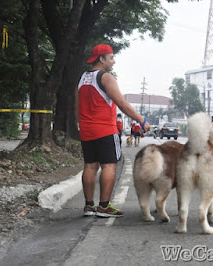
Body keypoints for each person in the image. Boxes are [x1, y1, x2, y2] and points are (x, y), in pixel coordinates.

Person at [76, 44, 150, 218]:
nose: (113, 61)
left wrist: (81, 124)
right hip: (105, 130)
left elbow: (76, 106)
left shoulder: (82, 78)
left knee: (90, 166)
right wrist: (141, 120)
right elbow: (122, 104)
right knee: (109, 165)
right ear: (101, 59)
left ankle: (88, 206)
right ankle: (103, 206)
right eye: (111, 57)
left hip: (86, 129)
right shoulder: (106, 78)